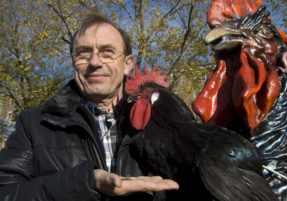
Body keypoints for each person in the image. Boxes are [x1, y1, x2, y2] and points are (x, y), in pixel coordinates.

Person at [0, 13, 178, 201]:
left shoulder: (163, 124)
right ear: (73, 63)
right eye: (83, 54)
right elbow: (5, 192)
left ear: (127, 64)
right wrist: (84, 183)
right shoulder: (35, 123)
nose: (94, 62)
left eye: (107, 52)